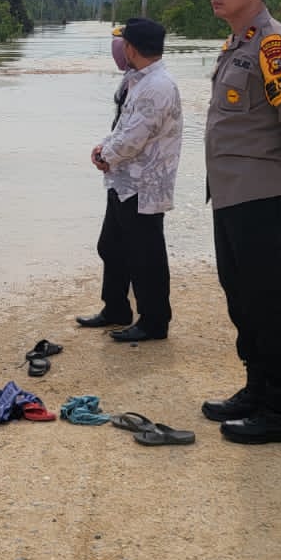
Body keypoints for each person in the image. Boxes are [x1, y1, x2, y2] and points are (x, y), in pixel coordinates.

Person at [197, 0, 281, 446]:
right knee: (239, 294)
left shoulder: (275, 46)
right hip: (230, 194)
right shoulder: (239, 43)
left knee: (265, 302)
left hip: (258, 195)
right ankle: (255, 388)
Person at [77, 17, 182, 342]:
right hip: (124, 183)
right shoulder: (138, 81)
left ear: (131, 48)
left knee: (146, 255)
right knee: (112, 246)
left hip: (144, 186)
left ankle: (154, 321)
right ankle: (116, 309)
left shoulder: (157, 86)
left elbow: (134, 138)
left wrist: (104, 155)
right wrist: (104, 148)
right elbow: (123, 127)